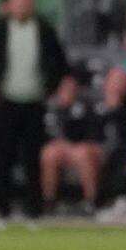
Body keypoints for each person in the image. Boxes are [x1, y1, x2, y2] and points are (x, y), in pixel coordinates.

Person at [0, 0, 70, 219]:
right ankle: (2, 209)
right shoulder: (0, 29)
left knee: (32, 158)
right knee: (3, 156)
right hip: (7, 101)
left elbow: (60, 60)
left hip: (34, 102)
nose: (23, 7)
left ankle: (34, 210)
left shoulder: (43, 29)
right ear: (10, 5)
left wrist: (51, 87)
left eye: (27, 2)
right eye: (18, 2)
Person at [41, 75, 103, 214]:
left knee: (82, 153)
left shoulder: (86, 108)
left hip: (83, 148)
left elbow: (92, 136)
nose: (68, 92)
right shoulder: (50, 108)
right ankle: (49, 201)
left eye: (71, 88)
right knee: (49, 153)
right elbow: (45, 135)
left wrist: (70, 145)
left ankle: (91, 202)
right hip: (60, 150)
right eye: (64, 88)